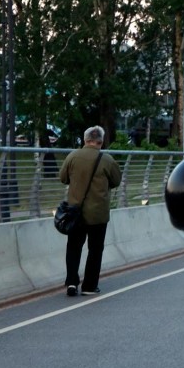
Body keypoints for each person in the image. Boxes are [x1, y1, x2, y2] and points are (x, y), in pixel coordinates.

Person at [59, 126, 122, 296]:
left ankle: (71, 282)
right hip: (98, 214)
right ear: (101, 142)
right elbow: (116, 180)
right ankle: (89, 286)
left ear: (85, 140)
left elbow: (63, 178)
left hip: (75, 212)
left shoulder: (72, 156)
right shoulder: (107, 160)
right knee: (95, 249)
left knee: (73, 247)